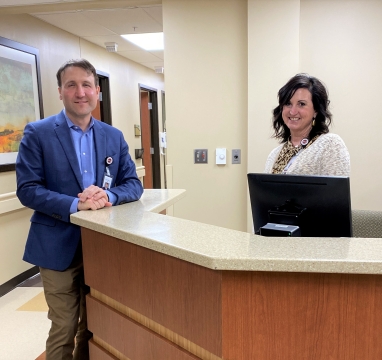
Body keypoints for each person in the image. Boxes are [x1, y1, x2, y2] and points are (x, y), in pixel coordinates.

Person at [16, 59, 144, 360]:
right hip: (56, 244)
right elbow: (28, 189)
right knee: (64, 325)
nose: (80, 92)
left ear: (97, 91)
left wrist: (108, 195)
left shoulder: (113, 136)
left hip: (103, 245)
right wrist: (77, 204)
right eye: (71, 85)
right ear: (60, 91)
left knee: (95, 323)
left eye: (87, 84)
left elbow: (133, 185)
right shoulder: (38, 133)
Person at [264, 73, 350, 176]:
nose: (293, 111)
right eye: (288, 103)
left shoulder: (330, 145)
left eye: (301, 104)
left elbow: (337, 190)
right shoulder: (274, 155)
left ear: (316, 110)